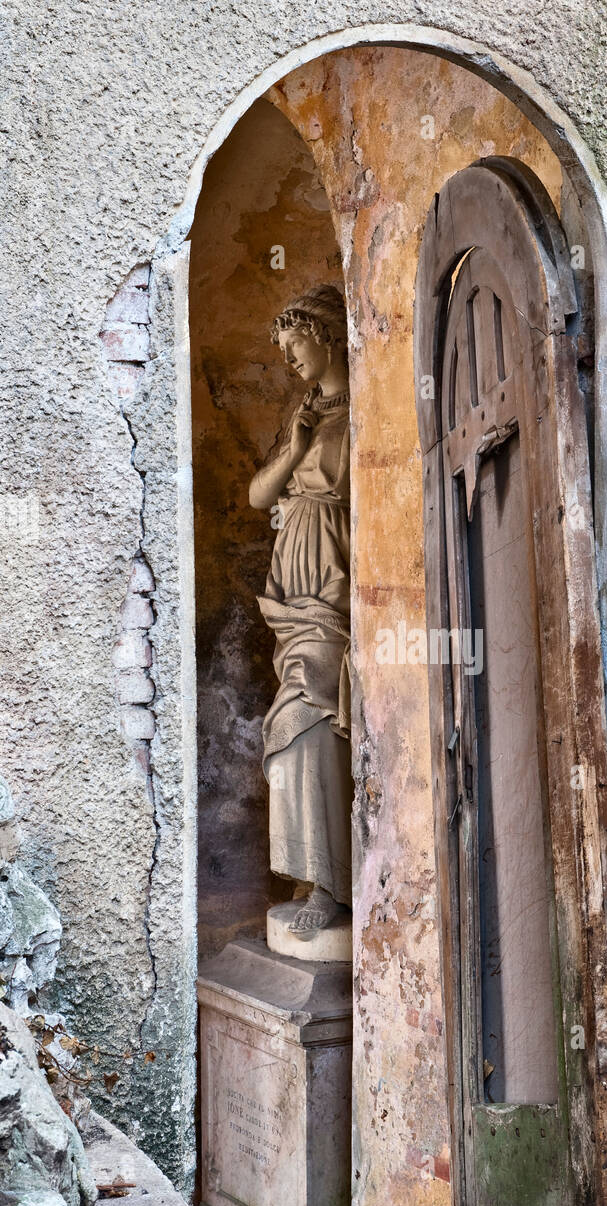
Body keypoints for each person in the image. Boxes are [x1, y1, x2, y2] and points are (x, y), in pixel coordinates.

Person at [249, 285, 352, 937]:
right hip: (292, 605)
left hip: (337, 594)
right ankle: (315, 876)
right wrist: (293, 445)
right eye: (283, 350)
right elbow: (260, 496)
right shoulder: (304, 416)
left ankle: (333, 884)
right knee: (292, 730)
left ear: (328, 336)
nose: (290, 359)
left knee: (311, 728)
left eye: (296, 344)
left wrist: (316, 510)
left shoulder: (366, 413)